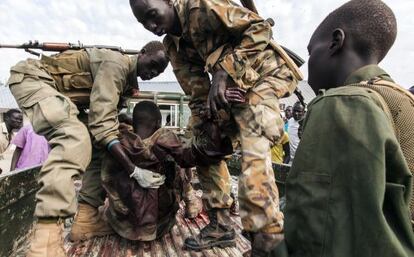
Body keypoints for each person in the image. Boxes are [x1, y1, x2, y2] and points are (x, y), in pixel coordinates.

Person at [129, 0, 300, 254]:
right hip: (230, 88)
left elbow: (261, 30)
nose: (151, 26)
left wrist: (223, 71)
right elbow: (197, 92)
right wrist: (208, 126)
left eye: (152, 15)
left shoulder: (201, 6)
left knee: (252, 126)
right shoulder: (172, 45)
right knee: (202, 141)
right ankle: (221, 224)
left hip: (264, 73)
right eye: (144, 23)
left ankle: (267, 236)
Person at [273, 1, 414, 256]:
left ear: (336, 41)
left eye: (311, 51)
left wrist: (270, 247)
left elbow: (319, 239)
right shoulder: (402, 100)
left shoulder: (340, 105)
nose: (307, 66)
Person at [7, 41, 169, 257]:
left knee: (101, 148)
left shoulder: (127, 84)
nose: (154, 73)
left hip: (64, 98)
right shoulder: (116, 64)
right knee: (73, 136)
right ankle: (45, 242)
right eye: (154, 64)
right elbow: (102, 125)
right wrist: (133, 170)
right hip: (33, 79)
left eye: (160, 71)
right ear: (143, 53)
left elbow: (104, 119)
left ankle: (86, 218)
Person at [101, 101, 232, 241]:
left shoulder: (117, 143)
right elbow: (188, 158)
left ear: (134, 122)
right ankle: (190, 200)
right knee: (177, 162)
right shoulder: (165, 138)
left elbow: (106, 179)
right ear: (158, 122)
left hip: (123, 223)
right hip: (159, 224)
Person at [0, 109, 23, 174]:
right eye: (16, 118)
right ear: (7, 118)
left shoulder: (11, 135)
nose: (19, 121)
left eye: (20, 120)